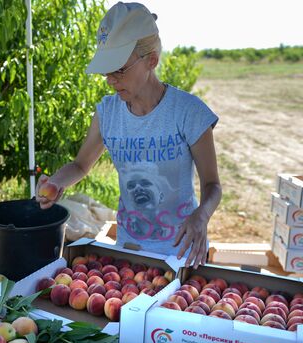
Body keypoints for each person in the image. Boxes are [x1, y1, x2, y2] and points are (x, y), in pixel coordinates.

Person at [36, 2, 222, 268]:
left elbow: (212, 185)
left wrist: (201, 216)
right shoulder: (108, 113)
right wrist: (56, 183)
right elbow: (80, 165)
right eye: (106, 70)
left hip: (180, 252)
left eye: (119, 69)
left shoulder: (188, 112)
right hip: (129, 249)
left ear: (152, 60)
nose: (111, 79)